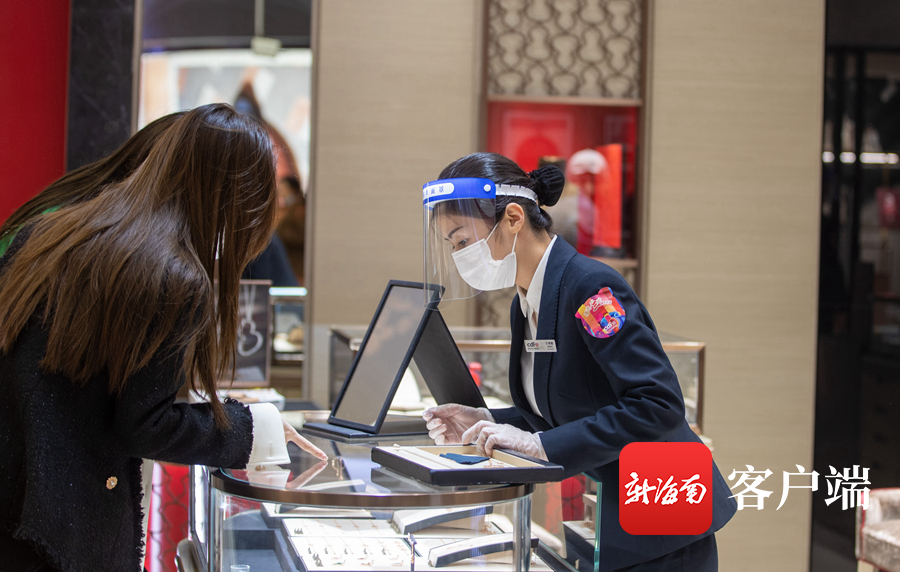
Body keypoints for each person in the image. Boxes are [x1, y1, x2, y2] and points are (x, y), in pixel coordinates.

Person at [0, 104, 327, 572]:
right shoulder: (169, 273)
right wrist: (253, 429)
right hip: (58, 531)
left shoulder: (54, 233)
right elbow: (146, 423)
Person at [421, 152, 736, 572]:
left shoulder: (589, 288)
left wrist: (542, 445)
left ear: (513, 218)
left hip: (662, 517)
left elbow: (657, 404)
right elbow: (573, 401)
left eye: (463, 241)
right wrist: (491, 419)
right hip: (611, 516)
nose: (460, 255)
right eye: (452, 246)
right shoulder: (526, 301)